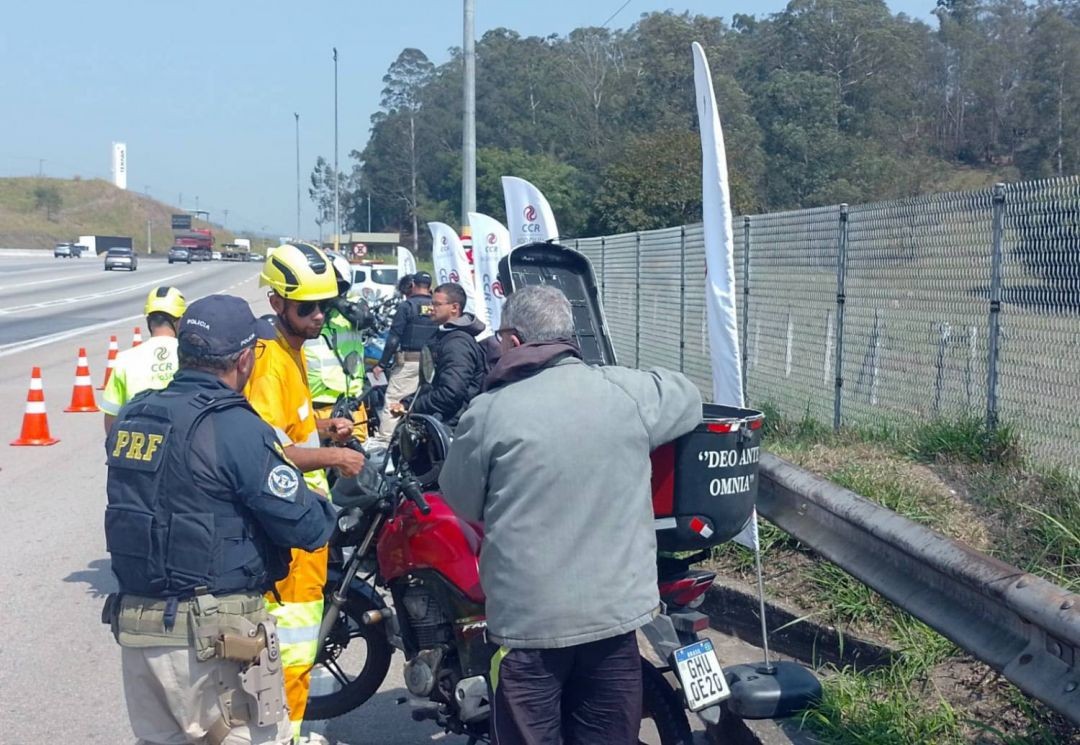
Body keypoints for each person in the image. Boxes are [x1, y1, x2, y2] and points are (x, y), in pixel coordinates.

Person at [439, 285, 703, 745]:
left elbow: (461, 502)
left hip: (529, 630)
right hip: (615, 621)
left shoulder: (489, 413)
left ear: (515, 341)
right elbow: (688, 395)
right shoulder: (627, 393)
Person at [102, 294, 336, 745]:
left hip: (139, 628)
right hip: (218, 642)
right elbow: (305, 526)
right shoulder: (236, 427)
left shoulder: (136, 414)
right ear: (245, 359)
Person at [246, 242, 366, 741]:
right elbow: (265, 452)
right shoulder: (270, 361)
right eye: (307, 308)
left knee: (295, 651)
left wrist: (323, 426)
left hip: (304, 519)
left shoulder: (293, 350)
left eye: (326, 305)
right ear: (276, 303)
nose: (319, 316)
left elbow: (289, 430)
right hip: (288, 529)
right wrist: (336, 457)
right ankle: (284, 737)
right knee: (291, 652)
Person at [390, 282, 486, 428]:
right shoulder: (443, 336)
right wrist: (407, 402)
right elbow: (433, 383)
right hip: (441, 421)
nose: (431, 308)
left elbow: (451, 393)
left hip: (453, 427)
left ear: (454, 307)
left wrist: (414, 407)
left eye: (437, 304)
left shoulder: (457, 343)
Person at [304, 252, 372, 440]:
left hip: (350, 402)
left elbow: (365, 318)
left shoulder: (353, 303)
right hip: (313, 404)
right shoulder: (306, 308)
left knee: (355, 463)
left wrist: (333, 300)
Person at [102, 286, 187, 433]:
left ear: (149, 320)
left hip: (136, 445)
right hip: (179, 443)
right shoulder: (191, 355)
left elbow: (111, 415)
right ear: (179, 320)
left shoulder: (124, 359)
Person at [374, 270, 436, 437]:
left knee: (394, 401)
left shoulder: (406, 306)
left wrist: (381, 364)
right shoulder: (437, 307)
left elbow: (394, 339)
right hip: (431, 365)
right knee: (419, 402)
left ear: (413, 285)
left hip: (408, 363)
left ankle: (385, 442)